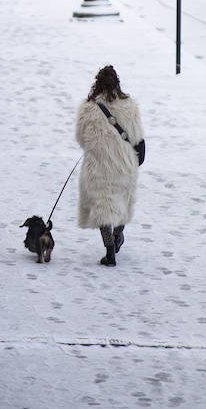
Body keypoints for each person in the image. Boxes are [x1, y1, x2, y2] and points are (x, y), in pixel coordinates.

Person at [75, 65, 145, 267]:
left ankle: (109, 250)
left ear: (97, 84)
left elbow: (81, 138)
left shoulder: (87, 108)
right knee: (123, 202)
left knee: (102, 206)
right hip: (124, 164)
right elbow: (137, 136)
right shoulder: (130, 106)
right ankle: (118, 236)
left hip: (98, 167)